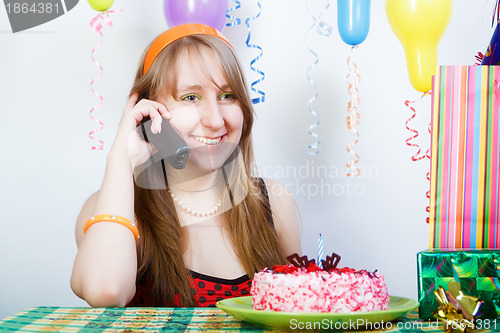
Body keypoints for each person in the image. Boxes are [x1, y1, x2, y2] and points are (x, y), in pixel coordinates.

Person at [70, 23, 301, 308]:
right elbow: (104, 291)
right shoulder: (111, 206)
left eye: (227, 96)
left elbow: (298, 312)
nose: (216, 121)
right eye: (191, 97)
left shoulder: (273, 202)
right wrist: (120, 159)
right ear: (147, 109)